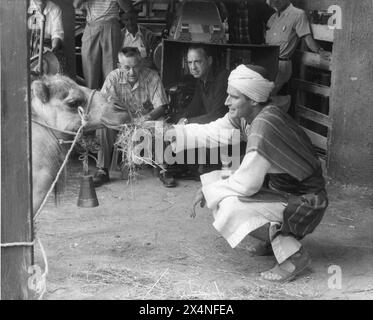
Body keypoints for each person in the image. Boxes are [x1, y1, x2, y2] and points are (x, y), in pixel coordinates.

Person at [165, 64, 328, 282]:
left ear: (252, 99)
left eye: (233, 97)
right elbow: (214, 131)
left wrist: (209, 191)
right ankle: (274, 240)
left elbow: (247, 184)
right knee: (218, 184)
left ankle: (294, 255)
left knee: (228, 206)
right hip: (288, 194)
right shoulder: (251, 115)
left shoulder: (265, 126)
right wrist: (175, 132)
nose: (226, 102)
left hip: (306, 203)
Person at [93, 47, 169, 187]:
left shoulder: (152, 77)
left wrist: (144, 118)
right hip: (121, 121)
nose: (132, 72)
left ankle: (163, 169)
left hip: (145, 119)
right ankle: (102, 170)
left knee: (160, 124)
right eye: (127, 68)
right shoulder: (113, 77)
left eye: (135, 66)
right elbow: (103, 106)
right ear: (119, 66)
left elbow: (162, 106)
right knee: (103, 125)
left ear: (141, 64)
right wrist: (118, 117)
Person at [265, 0, 329, 95]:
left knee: (266, 95)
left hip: (282, 63)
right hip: (269, 62)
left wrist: (320, 51)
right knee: (264, 94)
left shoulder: (298, 14)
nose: (275, 2)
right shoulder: (273, 18)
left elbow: (308, 39)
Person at [73, 0, 134, 89]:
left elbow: (128, 8)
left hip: (111, 24)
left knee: (111, 70)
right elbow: (76, 4)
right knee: (90, 69)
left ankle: (110, 99)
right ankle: (92, 100)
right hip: (91, 25)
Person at [175, 45, 230, 125]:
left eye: (197, 62)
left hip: (226, 129)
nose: (193, 67)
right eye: (190, 62)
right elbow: (194, 106)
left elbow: (218, 115)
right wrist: (180, 119)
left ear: (209, 61)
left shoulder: (222, 78)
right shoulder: (201, 79)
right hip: (214, 127)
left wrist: (187, 121)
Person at [28, 0, 65, 73]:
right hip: (28, 47)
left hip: (45, 49)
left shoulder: (55, 9)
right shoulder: (26, 6)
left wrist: (51, 52)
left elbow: (57, 34)